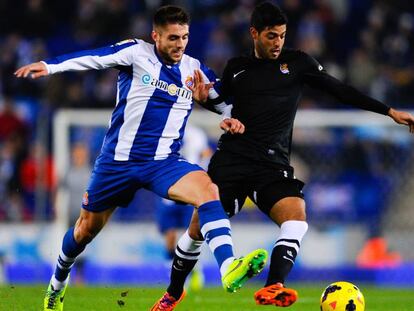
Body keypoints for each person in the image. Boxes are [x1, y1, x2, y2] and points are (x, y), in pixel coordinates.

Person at [156, 2, 414, 309]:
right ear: (254, 33)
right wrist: (203, 101)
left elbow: (340, 89)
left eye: (282, 35)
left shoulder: (299, 63)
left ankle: (274, 286)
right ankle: (173, 292)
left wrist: (388, 112)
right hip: (233, 162)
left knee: (296, 217)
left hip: (272, 165)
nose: (278, 42)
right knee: (197, 229)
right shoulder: (237, 68)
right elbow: (223, 105)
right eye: (271, 36)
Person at [14, 6, 268, 311]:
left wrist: (229, 117)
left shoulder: (193, 69)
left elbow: (222, 103)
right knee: (84, 231)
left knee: (208, 191)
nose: (180, 44)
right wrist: (50, 65)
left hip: (163, 163)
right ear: (155, 35)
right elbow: (96, 56)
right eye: (173, 37)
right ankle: (57, 285)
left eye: (185, 37)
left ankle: (228, 268)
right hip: (117, 163)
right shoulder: (136, 52)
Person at [155, 124, 211, 291]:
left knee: (192, 236)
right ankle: (171, 275)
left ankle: (196, 271)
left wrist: (201, 173)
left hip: (189, 193)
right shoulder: (164, 130)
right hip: (168, 193)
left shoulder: (196, 134)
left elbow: (206, 154)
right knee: (170, 236)